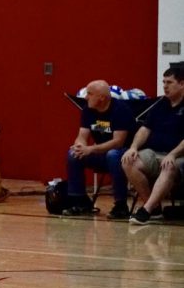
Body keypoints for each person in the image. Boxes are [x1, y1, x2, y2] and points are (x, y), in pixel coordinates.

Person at [62, 80, 135, 218]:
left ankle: (121, 205)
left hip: (124, 154)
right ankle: (79, 202)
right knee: (73, 154)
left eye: (89, 94)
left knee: (113, 155)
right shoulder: (88, 109)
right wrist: (80, 146)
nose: (85, 97)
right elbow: (82, 135)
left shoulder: (121, 110)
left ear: (101, 97)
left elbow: (118, 142)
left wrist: (91, 149)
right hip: (100, 153)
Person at [124, 67, 184, 225]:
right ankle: (155, 208)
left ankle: (146, 210)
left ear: (182, 84)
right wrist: (134, 147)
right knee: (128, 161)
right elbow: (145, 129)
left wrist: (173, 154)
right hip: (154, 152)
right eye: (163, 82)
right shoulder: (160, 104)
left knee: (169, 166)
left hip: (178, 156)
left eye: (169, 82)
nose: (165, 86)